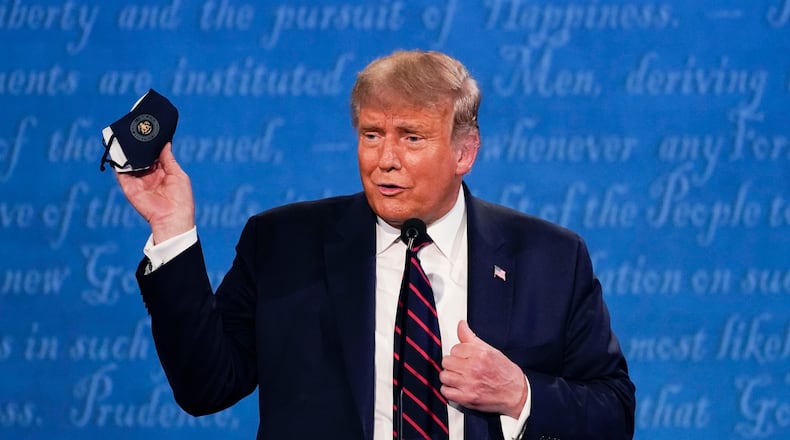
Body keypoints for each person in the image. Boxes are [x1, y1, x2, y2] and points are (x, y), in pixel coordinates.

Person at [115, 50, 635, 439]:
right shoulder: (282, 245)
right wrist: (172, 229)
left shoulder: (550, 258)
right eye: (371, 135)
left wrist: (520, 394)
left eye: (412, 137)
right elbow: (206, 386)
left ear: (464, 152)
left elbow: (613, 410)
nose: (384, 159)